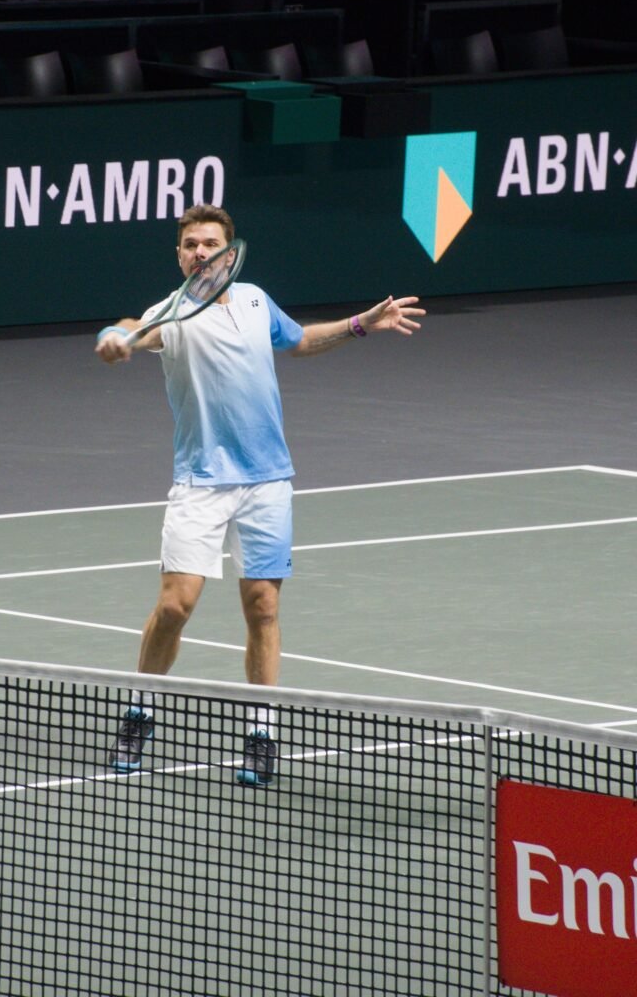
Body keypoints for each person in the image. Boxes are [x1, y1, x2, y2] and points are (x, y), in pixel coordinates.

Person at [95, 204, 425, 786]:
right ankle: (140, 710)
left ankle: (261, 731)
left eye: (211, 244)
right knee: (175, 606)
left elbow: (297, 341)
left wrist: (358, 325)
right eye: (191, 244)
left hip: (267, 482)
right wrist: (113, 339)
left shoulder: (254, 300)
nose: (201, 252)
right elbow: (129, 328)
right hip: (200, 484)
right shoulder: (169, 315)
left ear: (228, 253)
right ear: (179, 255)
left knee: (263, 607)